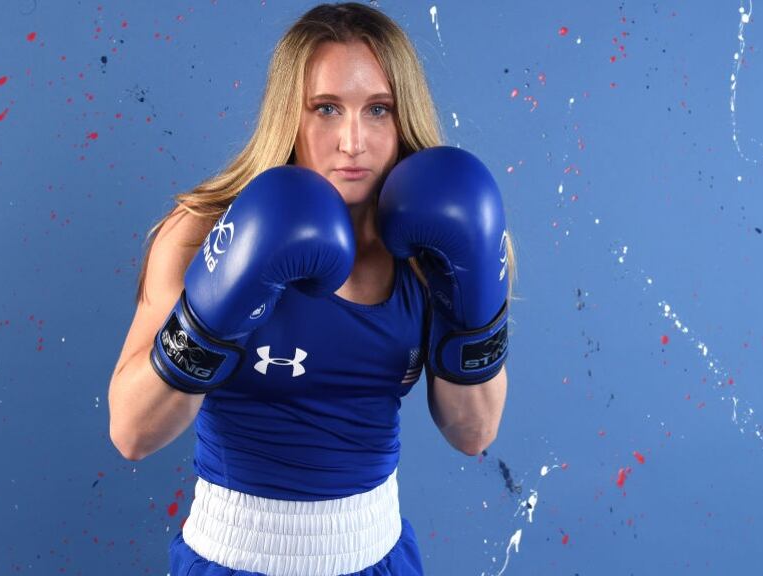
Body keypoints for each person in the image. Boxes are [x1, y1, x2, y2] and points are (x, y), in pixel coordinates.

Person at [108, 3, 516, 574]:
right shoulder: (204, 231)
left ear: (403, 120)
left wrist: (474, 304)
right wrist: (214, 310)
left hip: (379, 556)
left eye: (378, 110)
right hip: (233, 558)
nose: (353, 141)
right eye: (326, 108)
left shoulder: (433, 244)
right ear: (289, 116)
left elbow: (473, 433)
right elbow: (132, 433)